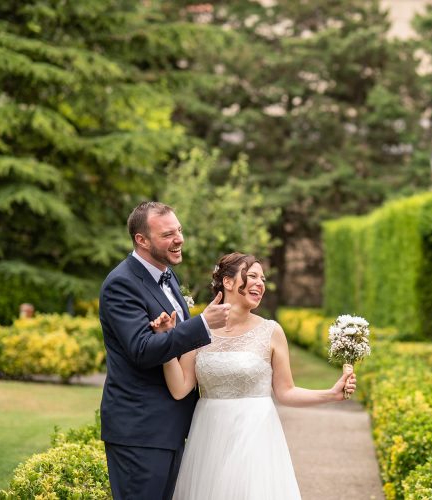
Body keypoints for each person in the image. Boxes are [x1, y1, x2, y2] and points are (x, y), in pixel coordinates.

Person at [148, 252, 356, 500]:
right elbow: (179, 388)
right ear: (227, 282)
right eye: (253, 276)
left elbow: (286, 392)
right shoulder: (197, 330)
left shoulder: (271, 331)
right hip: (209, 437)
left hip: (255, 436)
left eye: (263, 279)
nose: (260, 283)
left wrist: (330, 394)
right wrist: (166, 341)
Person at [98, 201, 232, 500]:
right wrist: (202, 325)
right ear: (141, 240)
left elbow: (173, 342)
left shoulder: (167, 276)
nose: (179, 239)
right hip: (141, 431)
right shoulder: (121, 284)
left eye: (180, 230)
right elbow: (142, 350)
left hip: (171, 427)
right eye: (168, 234)